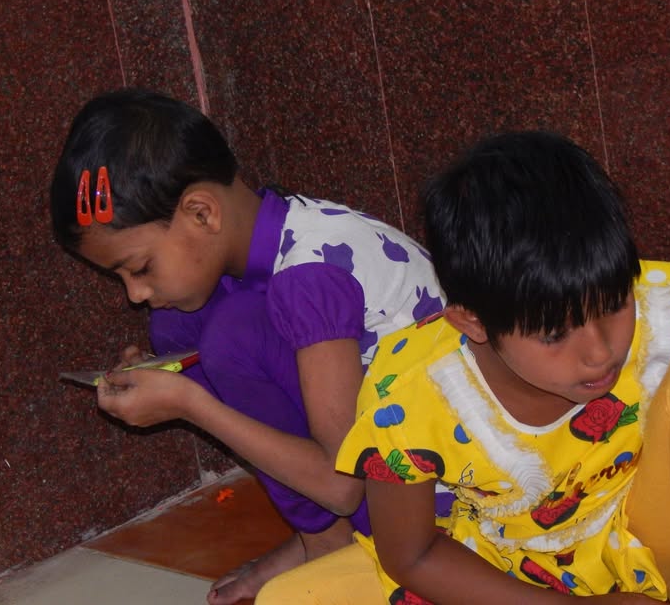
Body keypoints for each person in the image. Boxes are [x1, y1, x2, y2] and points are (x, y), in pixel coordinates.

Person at [253, 130, 670, 604]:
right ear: (472, 321)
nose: (599, 352)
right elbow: (412, 554)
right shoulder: (413, 387)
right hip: (528, 574)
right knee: (287, 598)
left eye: (615, 305)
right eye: (554, 334)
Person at [49, 88, 445, 604]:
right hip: (386, 464)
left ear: (202, 213)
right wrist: (164, 372)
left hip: (439, 505)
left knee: (232, 337)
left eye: (141, 268)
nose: (135, 294)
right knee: (179, 329)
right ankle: (322, 535)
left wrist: (192, 404)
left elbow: (342, 483)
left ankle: (327, 541)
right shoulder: (283, 227)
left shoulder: (307, 280)